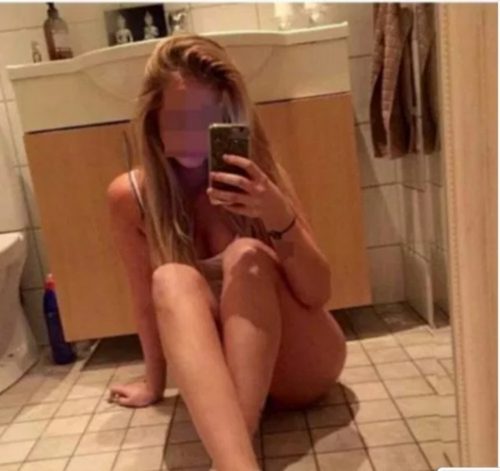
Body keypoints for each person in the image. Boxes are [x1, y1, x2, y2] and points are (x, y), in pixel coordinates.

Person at [106, 34, 347, 471]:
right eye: (181, 118)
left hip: (301, 363)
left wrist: (276, 212)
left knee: (247, 255)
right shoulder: (132, 197)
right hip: (227, 379)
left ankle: (233, 453)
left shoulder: (258, 178)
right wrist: (153, 384)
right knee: (170, 278)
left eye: (209, 119)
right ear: (154, 119)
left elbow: (317, 293)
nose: (195, 133)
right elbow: (145, 301)